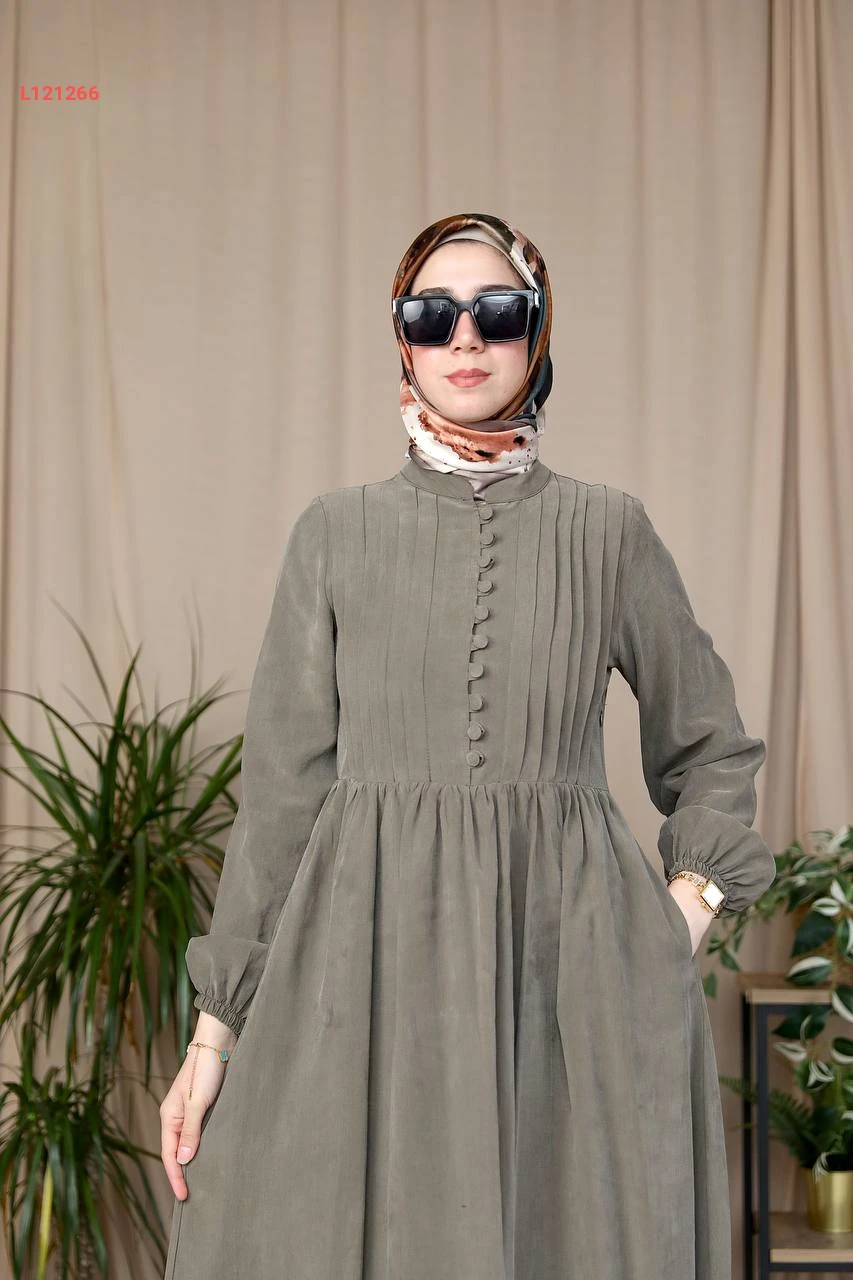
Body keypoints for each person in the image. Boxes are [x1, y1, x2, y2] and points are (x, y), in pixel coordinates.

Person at [161, 212, 777, 1280]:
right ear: (400, 339)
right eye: (429, 314)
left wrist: (679, 915)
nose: (463, 338)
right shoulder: (333, 533)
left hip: (569, 977)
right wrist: (214, 1035)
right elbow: (279, 807)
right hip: (364, 972)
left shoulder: (609, 531)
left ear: (537, 334)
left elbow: (712, 748)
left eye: (496, 312)